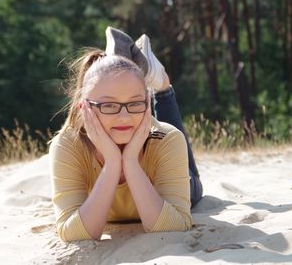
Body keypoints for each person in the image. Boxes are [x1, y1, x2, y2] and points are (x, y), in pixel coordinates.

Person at [49, 27, 203, 242]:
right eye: (109, 105)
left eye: (135, 103)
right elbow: (73, 234)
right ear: (83, 107)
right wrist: (113, 162)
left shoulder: (166, 138)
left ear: (146, 103)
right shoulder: (67, 145)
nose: (123, 117)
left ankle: (162, 86)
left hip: (165, 159)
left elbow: (174, 226)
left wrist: (130, 161)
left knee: (192, 184)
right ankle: (131, 72)